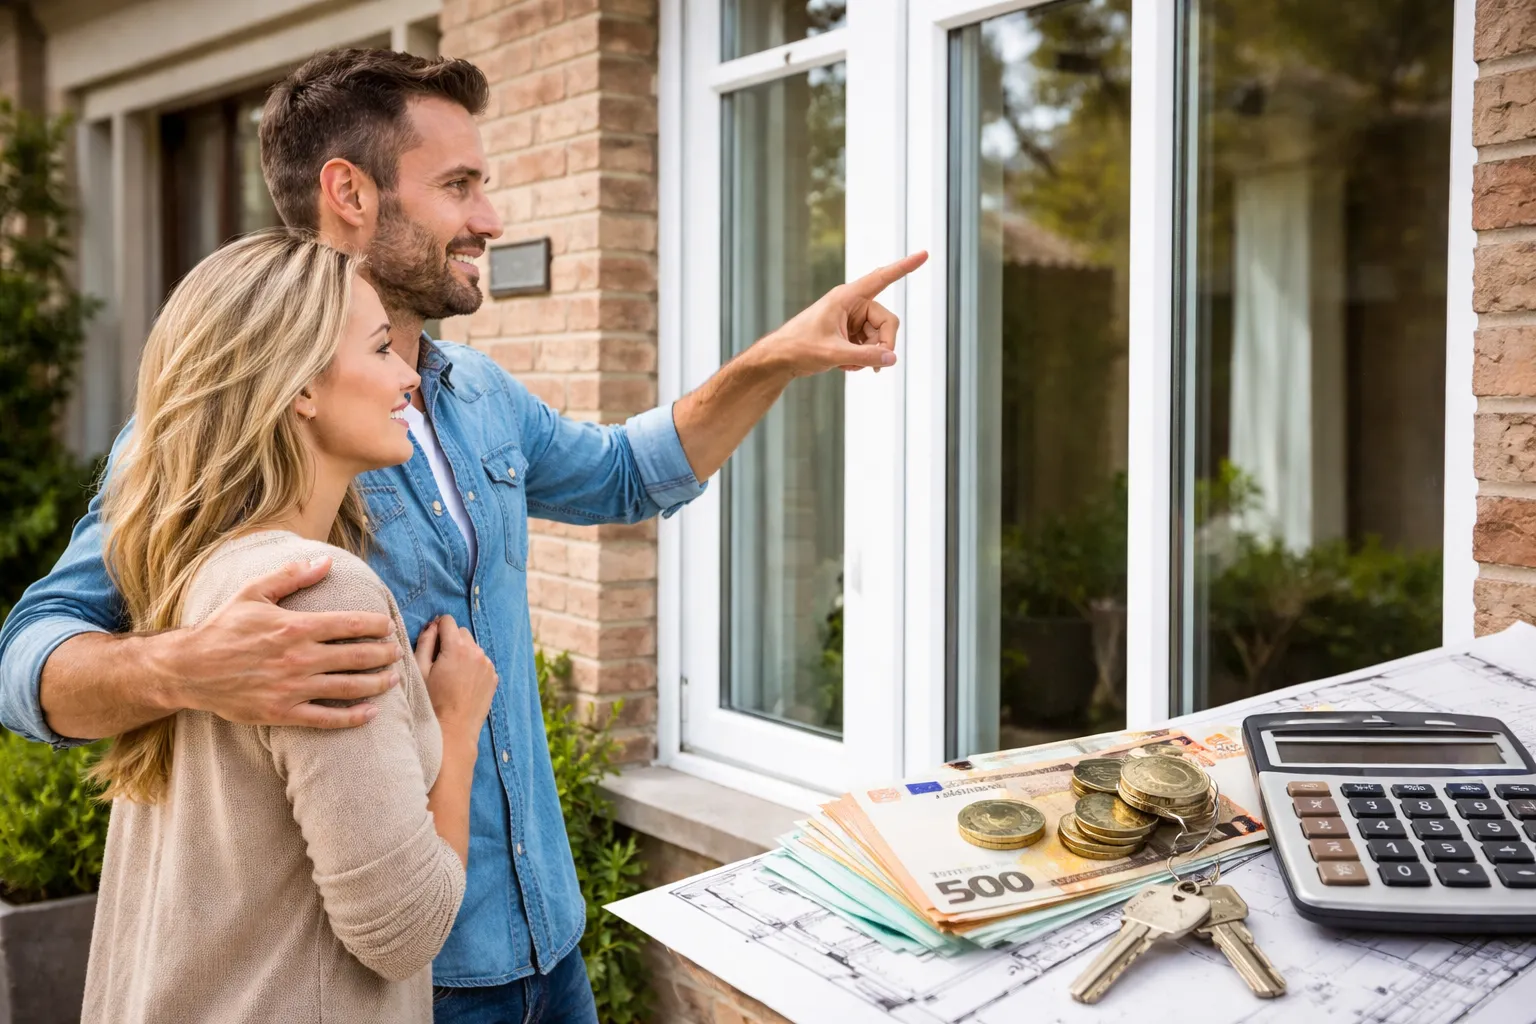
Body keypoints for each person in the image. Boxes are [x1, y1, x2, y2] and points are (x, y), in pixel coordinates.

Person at [0, 48, 924, 1023]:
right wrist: (182, 668)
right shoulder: (219, 430)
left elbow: (627, 472)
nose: (489, 218)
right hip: (391, 984)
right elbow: (26, 657)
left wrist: (777, 357)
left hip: (546, 942)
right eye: (459, 185)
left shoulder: (477, 393)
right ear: (350, 193)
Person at [80, 229, 500, 1023]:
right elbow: (404, 932)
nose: (408, 375)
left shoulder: (198, 568)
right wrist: (457, 726)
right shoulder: (317, 592)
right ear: (301, 386)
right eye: (380, 348)